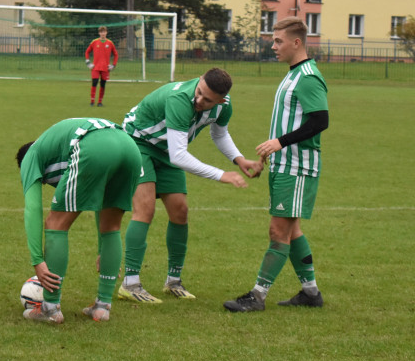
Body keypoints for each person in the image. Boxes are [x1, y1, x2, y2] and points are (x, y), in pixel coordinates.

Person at [118, 68, 262, 303]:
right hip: (137, 142)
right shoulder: (179, 99)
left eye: (207, 100)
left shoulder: (224, 106)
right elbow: (179, 157)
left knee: (180, 210)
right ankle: (130, 283)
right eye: (199, 92)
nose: (199, 100)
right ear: (199, 82)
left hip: (166, 149)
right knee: (145, 209)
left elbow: (220, 134)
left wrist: (239, 159)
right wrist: (221, 174)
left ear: (221, 100)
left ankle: (173, 281)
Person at [223, 17, 329, 312]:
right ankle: (310, 293)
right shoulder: (293, 74)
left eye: (278, 41)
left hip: (297, 167)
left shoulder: (308, 76)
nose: (273, 46)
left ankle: (257, 296)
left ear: (297, 43)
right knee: (292, 230)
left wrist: (280, 143)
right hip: (284, 165)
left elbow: (321, 120)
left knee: (278, 231)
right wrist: (265, 156)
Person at [16, 118, 143, 323]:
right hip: (130, 147)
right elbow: (98, 204)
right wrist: (104, 250)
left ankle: (49, 308)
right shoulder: (57, 145)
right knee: (111, 226)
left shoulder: (31, 156)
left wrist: (37, 260)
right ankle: (102, 307)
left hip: (93, 145)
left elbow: (33, 209)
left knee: (55, 223)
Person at [84, 26, 119, 107]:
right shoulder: (94, 42)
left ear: (106, 32)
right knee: (94, 83)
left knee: (103, 84)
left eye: (104, 32)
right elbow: (87, 52)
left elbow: (116, 54)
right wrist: (88, 62)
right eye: (101, 32)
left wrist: (113, 65)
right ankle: (92, 101)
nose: (103, 33)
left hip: (105, 68)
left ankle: (100, 102)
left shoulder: (110, 43)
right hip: (95, 67)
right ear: (99, 33)